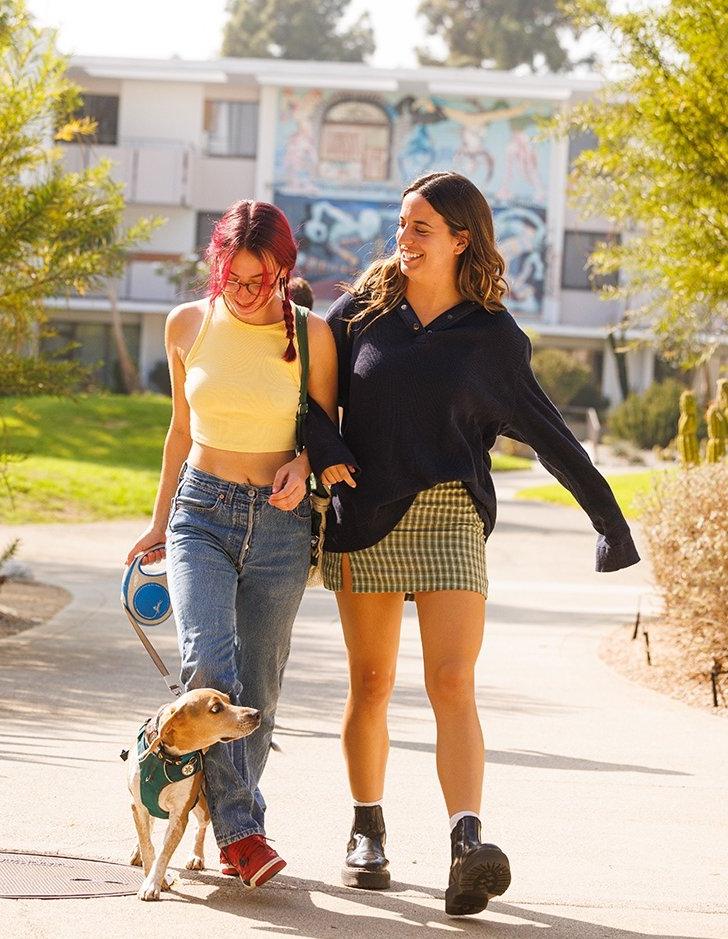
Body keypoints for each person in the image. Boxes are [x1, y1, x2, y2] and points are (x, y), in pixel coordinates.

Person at [306, 172, 640, 917]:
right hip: (366, 513)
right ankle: (367, 825)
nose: (404, 239)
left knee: (452, 679)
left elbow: (552, 433)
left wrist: (609, 523)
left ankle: (466, 843)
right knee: (371, 684)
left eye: (420, 227)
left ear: (462, 239)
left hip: (451, 513)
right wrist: (322, 442)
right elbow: (310, 397)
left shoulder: (492, 337)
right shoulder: (361, 313)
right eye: (401, 225)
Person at [126, 199, 340, 888]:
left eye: (262, 279)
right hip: (201, 513)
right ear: (218, 263)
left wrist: (303, 465)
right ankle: (241, 833)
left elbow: (325, 432)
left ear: (285, 270)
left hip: (280, 524)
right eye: (234, 276)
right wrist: (160, 523)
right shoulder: (187, 322)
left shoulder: (313, 335)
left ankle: (222, 820)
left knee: (259, 692)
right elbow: (179, 433)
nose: (247, 293)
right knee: (208, 667)